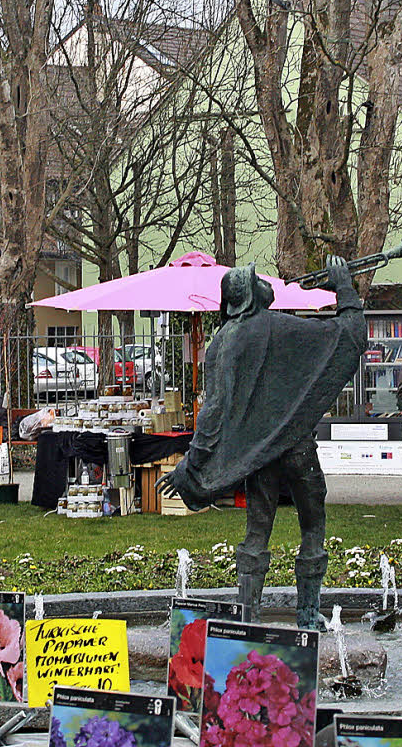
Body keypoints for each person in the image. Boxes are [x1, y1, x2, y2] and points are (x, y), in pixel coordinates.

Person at [156, 257, 367, 629]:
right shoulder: (280, 327)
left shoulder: (223, 340)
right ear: (251, 296)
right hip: (297, 447)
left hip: (259, 455)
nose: (266, 284)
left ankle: (248, 618)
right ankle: (306, 615)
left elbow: (215, 409)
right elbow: (351, 335)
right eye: (257, 281)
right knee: (313, 522)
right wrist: (344, 287)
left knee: (257, 529)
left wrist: (192, 462)